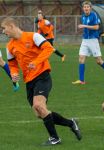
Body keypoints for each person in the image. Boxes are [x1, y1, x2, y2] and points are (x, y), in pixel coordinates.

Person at [1, 17, 81, 146]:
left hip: (42, 76)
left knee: (39, 106)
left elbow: (48, 48)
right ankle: (71, 123)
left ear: (11, 26)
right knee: (40, 113)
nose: (3, 32)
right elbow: (12, 64)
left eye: (4, 28)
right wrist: (14, 75)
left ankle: (55, 138)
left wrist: (36, 62)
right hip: (29, 81)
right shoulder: (9, 46)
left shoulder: (33, 36)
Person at [72, 1, 104, 85]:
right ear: (83, 8)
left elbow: (96, 27)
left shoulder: (94, 15)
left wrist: (84, 26)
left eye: (87, 7)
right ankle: (81, 80)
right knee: (81, 58)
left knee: (99, 61)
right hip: (85, 40)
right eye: (84, 7)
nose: (86, 8)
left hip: (93, 40)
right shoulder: (83, 16)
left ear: (90, 8)